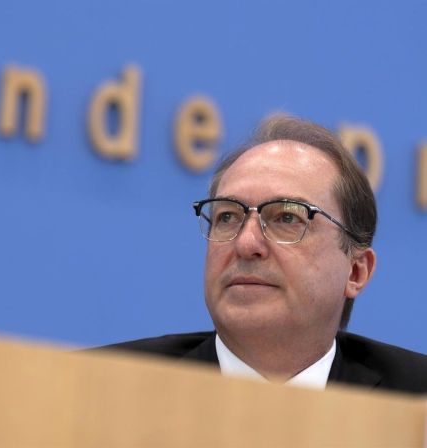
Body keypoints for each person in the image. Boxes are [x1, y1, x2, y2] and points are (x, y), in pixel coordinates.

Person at [105, 115, 427, 395]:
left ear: (356, 272)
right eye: (227, 216)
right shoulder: (107, 388)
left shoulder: (415, 399)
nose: (246, 244)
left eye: (287, 217)